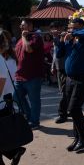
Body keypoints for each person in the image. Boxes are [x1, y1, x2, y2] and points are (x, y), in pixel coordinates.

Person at [57, 18, 84, 152]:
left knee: (74, 108)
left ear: (82, 26)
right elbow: (59, 54)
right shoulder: (71, 40)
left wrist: (73, 34)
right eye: (71, 28)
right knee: (72, 110)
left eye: (76, 27)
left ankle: (83, 137)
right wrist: (60, 41)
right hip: (69, 79)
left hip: (83, 79)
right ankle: (78, 138)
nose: (72, 30)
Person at [0, 30, 26, 165]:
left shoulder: (3, 61)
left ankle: (14, 151)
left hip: (2, 104)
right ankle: (14, 152)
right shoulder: (6, 59)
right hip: (5, 102)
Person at [14, 19, 44, 130]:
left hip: (33, 76)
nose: (21, 27)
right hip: (20, 75)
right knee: (16, 97)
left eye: (23, 25)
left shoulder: (36, 37)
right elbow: (16, 55)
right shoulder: (19, 40)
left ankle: (35, 121)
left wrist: (24, 37)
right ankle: (29, 116)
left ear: (30, 25)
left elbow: (29, 50)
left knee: (34, 100)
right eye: (21, 25)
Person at [50, 22, 68, 124]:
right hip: (59, 68)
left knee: (64, 92)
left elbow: (61, 49)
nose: (54, 31)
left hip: (66, 68)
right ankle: (67, 110)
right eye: (52, 29)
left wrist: (57, 37)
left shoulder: (64, 37)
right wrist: (53, 66)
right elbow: (55, 54)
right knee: (63, 91)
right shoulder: (56, 39)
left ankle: (62, 114)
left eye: (56, 29)